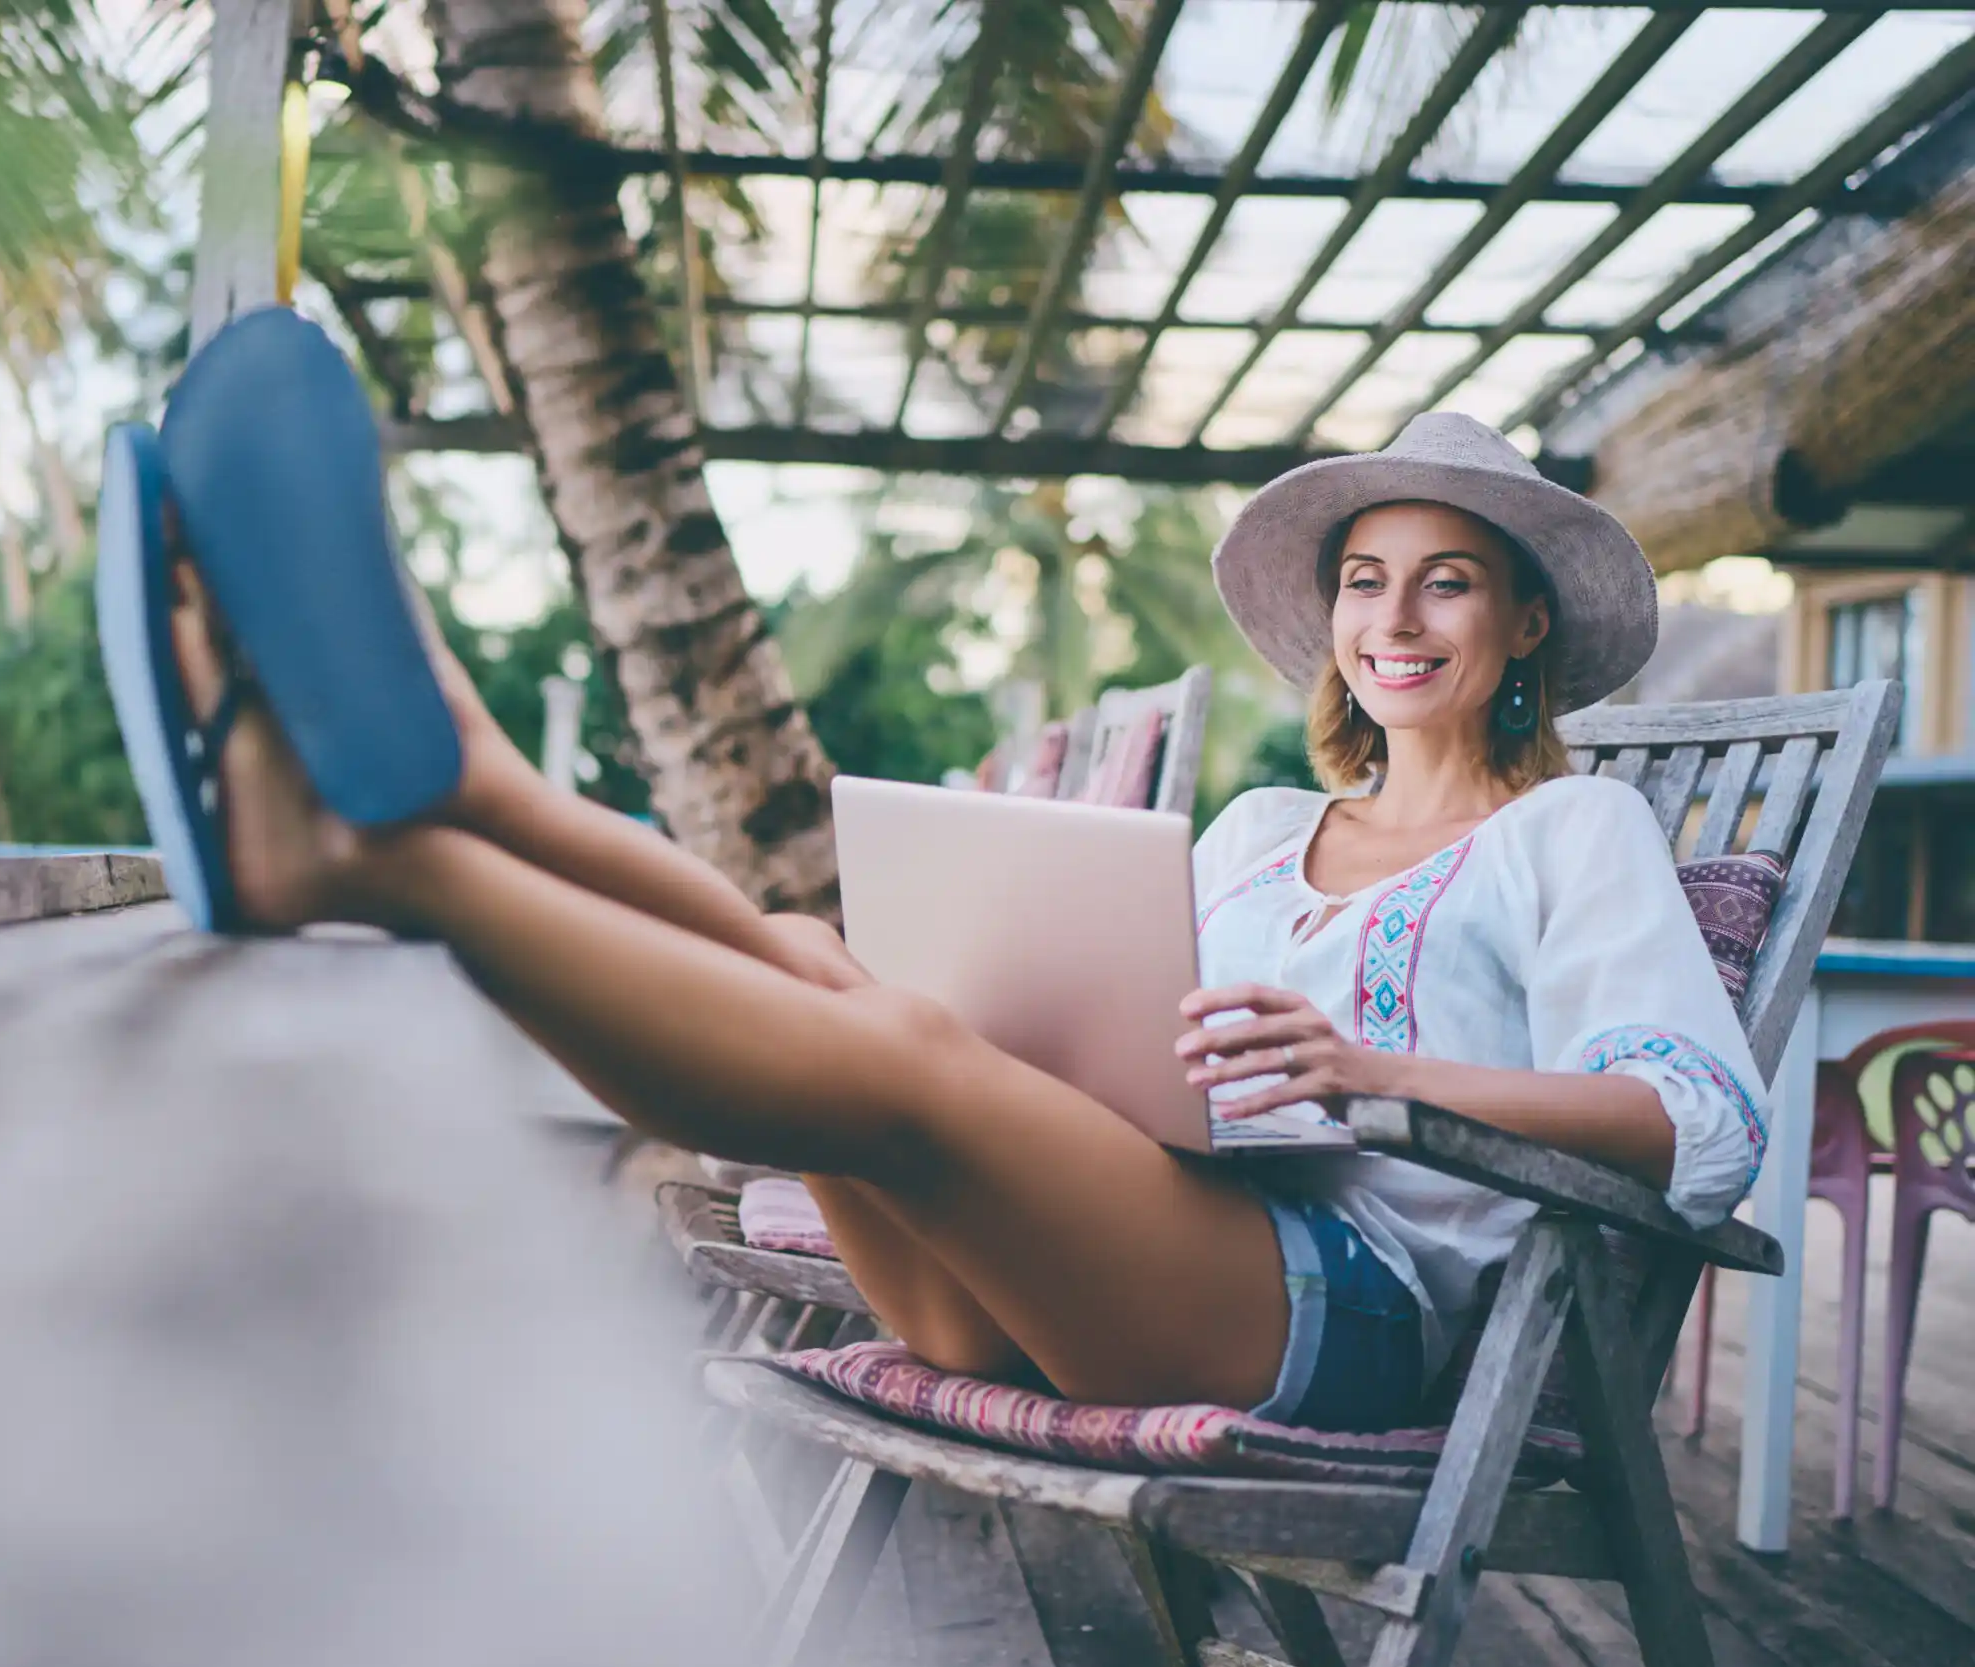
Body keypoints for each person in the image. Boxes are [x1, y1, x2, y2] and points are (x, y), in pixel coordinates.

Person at [130, 410, 1766, 1435]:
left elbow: (1694, 1119)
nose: (1392, 620)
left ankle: (376, 862)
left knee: (897, 1051)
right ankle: (481, 785)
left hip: (1352, 1311)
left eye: (1448, 581)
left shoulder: (1572, 828)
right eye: (1364, 579)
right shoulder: (1266, 831)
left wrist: (1375, 1073)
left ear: (1526, 617)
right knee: (817, 950)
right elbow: (1149, 1041)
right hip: (1070, 1270)